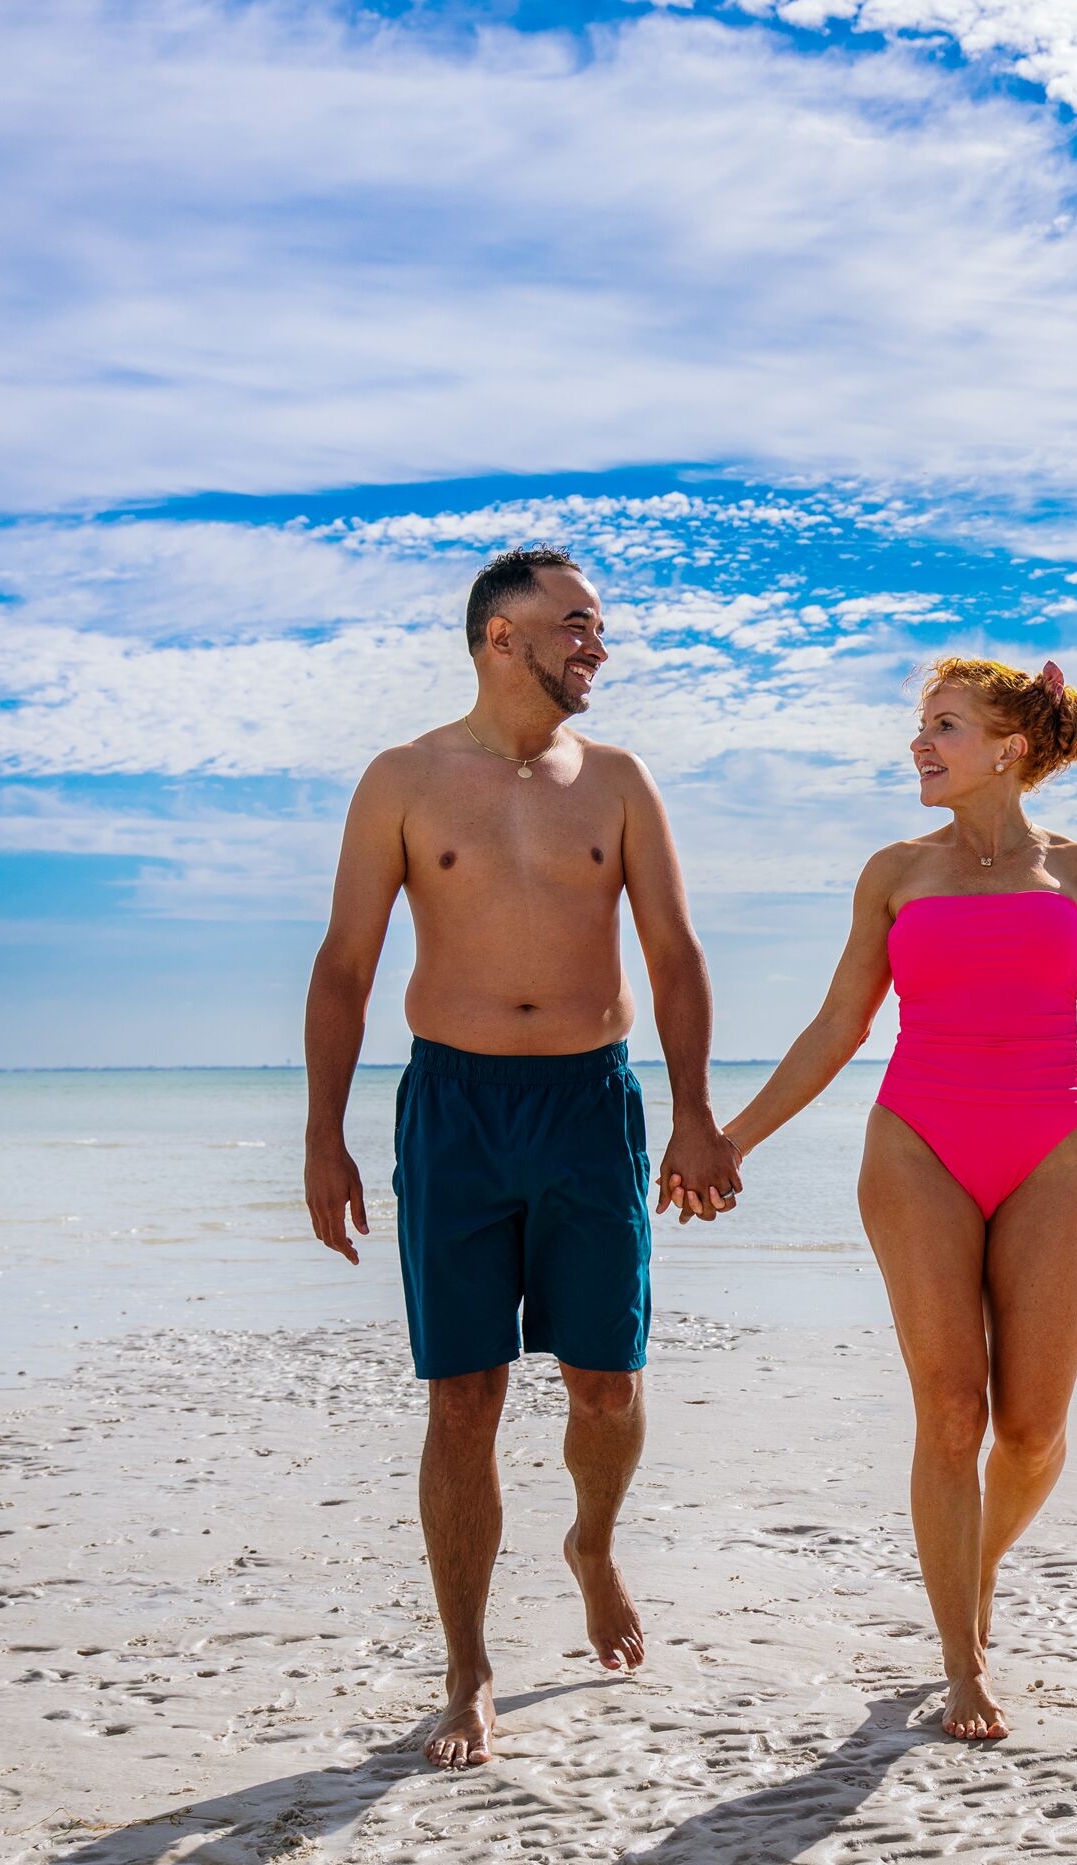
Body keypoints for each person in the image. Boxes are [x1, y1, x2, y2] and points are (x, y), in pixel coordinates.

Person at [718, 657, 1077, 1742]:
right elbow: (837, 1025)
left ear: (1010, 747)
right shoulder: (895, 872)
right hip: (916, 1143)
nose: (920, 745)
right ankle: (962, 1656)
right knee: (952, 1411)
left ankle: (973, 1562)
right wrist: (734, 1137)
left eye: (944, 726)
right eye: (920, 726)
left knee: (1034, 1430)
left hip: (1047, 1146)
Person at [301, 546, 741, 1770]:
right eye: (577, 625)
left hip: (591, 1104)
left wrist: (697, 1113)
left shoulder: (617, 782)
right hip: (455, 1107)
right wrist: (322, 1133)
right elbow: (344, 963)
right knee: (465, 1397)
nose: (596, 645)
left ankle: (593, 1541)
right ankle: (468, 1664)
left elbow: (677, 957)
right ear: (503, 636)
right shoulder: (402, 779)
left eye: (598, 627)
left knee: (605, 1383)